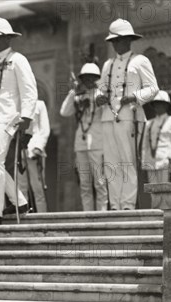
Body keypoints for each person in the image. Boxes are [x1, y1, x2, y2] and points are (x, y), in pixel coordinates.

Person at [96, 19, 158, 210]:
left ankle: (128, 205)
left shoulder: (140, 61)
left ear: (129, 40)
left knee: (128, 161)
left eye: (120, 40)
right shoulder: (108, 64)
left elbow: (153, 88)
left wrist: (133, 97)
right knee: (111, 164)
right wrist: (99, 97)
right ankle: (114, 205)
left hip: (130, 116)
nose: (116, 44)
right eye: (114, 41)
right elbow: (100, 89)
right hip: (108, 116)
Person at [0, 17, 38, 226]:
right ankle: (20, 201)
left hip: (9, 117)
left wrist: (26, 116)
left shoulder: (18, 60)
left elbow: (29, 89)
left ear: (8, 37)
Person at [60, 63, 108, 211]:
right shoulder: (78, 95)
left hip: (97, 142)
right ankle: (88, 214)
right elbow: (64, 112)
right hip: (81, 143)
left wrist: (97, 99)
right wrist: (73, 92)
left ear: (96, 78)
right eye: (85, 77)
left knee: (99, 182)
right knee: (84, 183)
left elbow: (106, 106)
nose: (88, 80)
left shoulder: (100, 94)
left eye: (91, 77)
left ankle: (102, 213)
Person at [142, 90, 171, 183]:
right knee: (153, 192)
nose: (158, 106)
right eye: (156, 103)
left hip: (166, 161)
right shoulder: (149, 123)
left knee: (165, 191)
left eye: (161, 103)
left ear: (166, 105)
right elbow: (145, 146)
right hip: (151, 162)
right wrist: (144, 164)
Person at [18, 99, 50, 212]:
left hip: (34, 149)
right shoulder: (16, 102)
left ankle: (42, 216)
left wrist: (39, 147)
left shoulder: (39, 104)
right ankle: (23, 215)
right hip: (19, 149)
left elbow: (45, 129)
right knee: (21, 187)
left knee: (38, 188)